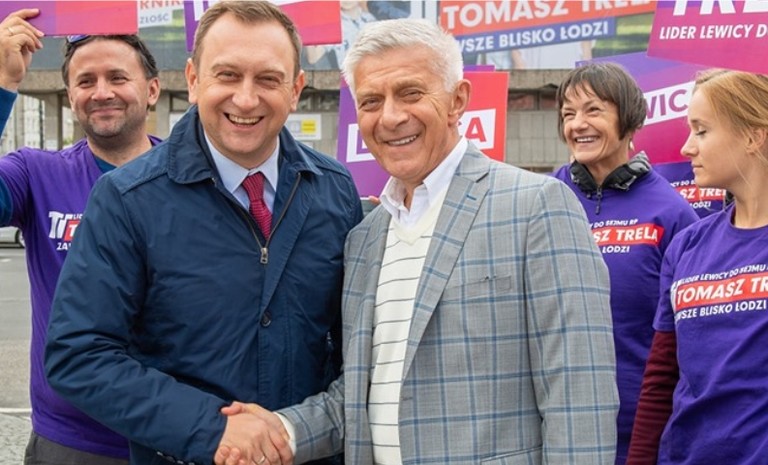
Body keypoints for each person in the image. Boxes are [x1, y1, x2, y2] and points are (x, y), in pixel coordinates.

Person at [218, 18, 619, 465]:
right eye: (371, 101)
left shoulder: (537, 206)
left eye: (410, 93)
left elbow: (580, 395)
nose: (390, 117)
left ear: (457, 100)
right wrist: (282, 431)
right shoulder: (365, 238)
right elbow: (362, 395)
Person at [45, 2, 362, 465]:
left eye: (268, 79)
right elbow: (78, 355)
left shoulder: (335, 190)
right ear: (194, 80)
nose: (246, 99)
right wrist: (213, 429)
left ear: (295, 89)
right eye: (227, 75)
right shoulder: (127, 199)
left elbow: (355, 345)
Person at [0, 8, 162, 465]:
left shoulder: (192, 178)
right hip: (69, 443)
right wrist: (3, 83)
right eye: (86, 81)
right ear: (71, 95)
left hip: (172, 435)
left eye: (117, 77)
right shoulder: (37, 174)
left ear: (152, 90)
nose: (102, 92)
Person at [552, 63, 698, 465]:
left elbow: (687, 340)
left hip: (640, 432)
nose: (578, 124)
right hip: (555, 426)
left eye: (593, 110)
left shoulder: (672, 212)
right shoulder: (543, 197)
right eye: (568, 113)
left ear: (630, 119)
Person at [626, 70, 768, 465]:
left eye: (701, 131)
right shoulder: (688, 245)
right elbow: (661, 378)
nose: (687, 148)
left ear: (753, 137)